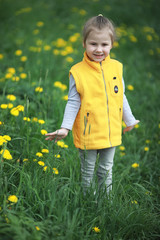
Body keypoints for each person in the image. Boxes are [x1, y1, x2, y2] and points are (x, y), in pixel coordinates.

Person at [45, 15, 140, 195]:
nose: (98, 49)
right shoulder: (77, 72)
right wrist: (65, 128)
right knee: (88, 172)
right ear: (84, 43)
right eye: (93, 44)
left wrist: (129, 120)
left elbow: (120, 95)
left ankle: (106, 203)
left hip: (110, 130)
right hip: (88, 132)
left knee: (106, 169)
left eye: (104, 45)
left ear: (112, 44)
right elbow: (73, 102)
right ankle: (87, 201)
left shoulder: (117, 68)